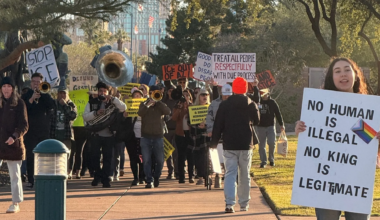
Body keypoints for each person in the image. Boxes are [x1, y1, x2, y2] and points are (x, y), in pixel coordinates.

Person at [295, 57, 380, 220]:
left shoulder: (367, 108)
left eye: (347, 70)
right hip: (326, 185)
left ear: (355, 75)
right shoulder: (320, 108)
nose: (343, 74)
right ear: (331, 78)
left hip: (357, 184)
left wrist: (377, 139)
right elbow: (314, 143)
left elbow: (366, 141)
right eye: (337, 71)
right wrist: (302, 130)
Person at [210, 77, 260, 213]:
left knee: (230, 173)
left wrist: (213, 143)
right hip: (245, 143)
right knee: (244, 174)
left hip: (229, 143)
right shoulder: (250, 103)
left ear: (233, 89)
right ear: (245, 89)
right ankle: (244, 204)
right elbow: (257, 120)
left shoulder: (225, 104)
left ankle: (229, 204)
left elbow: (218, 125)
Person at [83, 82, 126, 188]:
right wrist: (96, 113)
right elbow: (85, 116)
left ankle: (106, 179)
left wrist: (114, 99)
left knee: (108, 158)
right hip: (95, 135)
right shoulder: (91, 102)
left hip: (109, 135)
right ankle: (97, 176)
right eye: (100, 91)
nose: (102, 93)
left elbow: (124, 107)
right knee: (94, 158)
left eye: (104, 91)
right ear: (98, 92)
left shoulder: (113, 102)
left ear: (108, 92)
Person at [21, 72, 55, 189]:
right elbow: (23, 109)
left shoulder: (45, 94)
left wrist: (43, 94)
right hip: (30, 131)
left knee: (44, 156)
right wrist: (31, 99)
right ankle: (31, 180)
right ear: (31, 83)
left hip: (43, 131)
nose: (36, 84)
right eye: (34, 82)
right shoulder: (26, 95)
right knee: (30, 156)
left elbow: (52, 106)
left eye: (38, 82)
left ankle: (44, 179)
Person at [0, 77, 29, 213]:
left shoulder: (19, 103)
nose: (6, 89)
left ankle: (15, 203)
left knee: (15, 176)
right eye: (4, 86)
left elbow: (24, 125)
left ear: (13, 88)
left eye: (9, 86)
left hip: (13, 144)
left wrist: (14, 136)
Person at [138, 85, 171, 188]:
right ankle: (149, 180)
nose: (153, 95)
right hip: (146, 137)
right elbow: (139, 113)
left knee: (160, 160)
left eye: (155, 92)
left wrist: (158, 102)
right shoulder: (143, 104)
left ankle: (156, 177)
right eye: (151, 92)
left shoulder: (160, 105)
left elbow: (168, 111)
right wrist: (147, 104)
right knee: (146, 160)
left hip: (158, 137)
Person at [206, 84, 233, 188]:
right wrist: (210, 129)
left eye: (228, 95)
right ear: (221, 93)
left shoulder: (233, 103)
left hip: (230, 133)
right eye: (225, 94)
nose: (226, 97)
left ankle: (227, 175)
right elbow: (209, 117)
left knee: (229, 155)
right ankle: (217, 174)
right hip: (217, 132)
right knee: (216, 154)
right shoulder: (214, 103)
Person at [118, 88, 146, 185]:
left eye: (139, 95)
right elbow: (121, 121)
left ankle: (142, 177)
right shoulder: (127, 107)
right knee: (133, 157)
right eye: (135, 95)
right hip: (131, 136)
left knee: (143, 157)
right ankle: (135, 178)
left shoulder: (146, 107)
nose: (137, 97)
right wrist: (124, 116)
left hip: (143, 135)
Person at [50, 87, 77, 177]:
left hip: (66, 135)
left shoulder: (71, 105)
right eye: (60, 93)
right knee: (55, 155)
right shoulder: (53, 104)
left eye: (64, 94)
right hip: (54, 134)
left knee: (66, 155)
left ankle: (64, 174)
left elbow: (72, 116)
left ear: (67, 95)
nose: (62, 96)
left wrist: (65, 106)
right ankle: (56, 174)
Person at [256, 88, 284, 168]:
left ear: (268, 93)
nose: (264, 95)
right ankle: (263, 161)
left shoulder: (272, 102)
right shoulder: (258, 102)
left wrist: (281, 124)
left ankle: (271, 159)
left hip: (270, 126)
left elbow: (278, 114)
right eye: (262, 93)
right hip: (260, 126)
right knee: (261, 145)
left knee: (272, 143)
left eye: (265, 93)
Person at [172, 89, 194, 183]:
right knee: (181, 156)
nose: (185, 97)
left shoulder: (192, 106)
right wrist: (180, 108)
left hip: (190, 134)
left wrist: (188, 105)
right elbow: (174, 118)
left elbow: (194, 117)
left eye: (187, 95)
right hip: (180, 133)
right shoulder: (177, 107)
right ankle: (181, 177)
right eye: (183, 95)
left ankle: (191, 176)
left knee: (191, 156)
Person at [190, 89, 211, 186]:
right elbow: (190, 122)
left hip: (208, 137)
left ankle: (208, 176)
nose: (205, 96)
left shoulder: (210, 108)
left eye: (206, 94)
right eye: (203, 95)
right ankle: (201, 177)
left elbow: (215, 121)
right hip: (197, 137)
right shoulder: (194, 108)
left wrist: (206, 125)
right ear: (199, 96)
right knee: (198, 158)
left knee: (208, 158)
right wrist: (198, 126)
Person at [162, 84, 178, 179]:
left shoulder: (177, 101)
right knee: (167, 152)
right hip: (166, 129)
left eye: (173, 90)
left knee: (176, 152)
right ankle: (170, 171)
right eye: (169, 91)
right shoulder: (164, 101)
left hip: (176, 129)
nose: (171, 92)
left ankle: (177, 171)